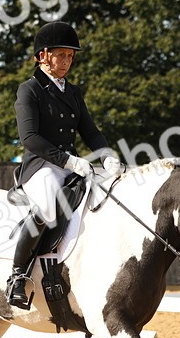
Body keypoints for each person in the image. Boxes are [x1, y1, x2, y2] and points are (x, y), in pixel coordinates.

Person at [6, 21, 121, 309]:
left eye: (71, 57)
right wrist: (68, 160)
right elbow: (29, 137)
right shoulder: (29, 90)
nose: (67, 62)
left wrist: (106, 155)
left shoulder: (73, 92)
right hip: (41, 166)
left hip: (73, 166)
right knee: (46, 205)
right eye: (62, 56)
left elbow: (90, 131)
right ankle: (18, 277)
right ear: (43, 56)